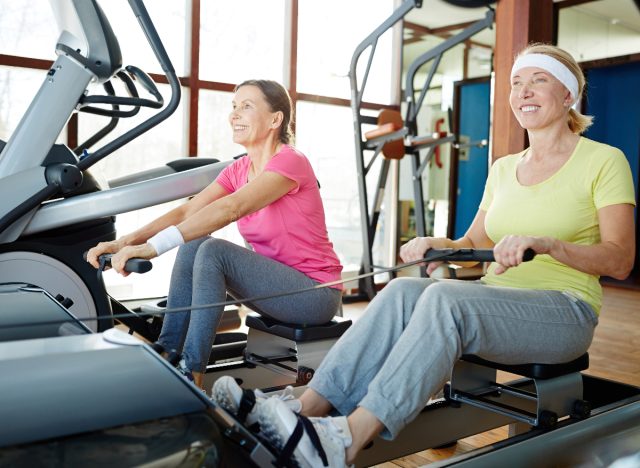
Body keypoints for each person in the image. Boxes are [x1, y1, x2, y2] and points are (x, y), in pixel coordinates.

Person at [212, 43, 637, 467]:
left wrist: (549, 244)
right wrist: (439, 244)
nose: (523, 91)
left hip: (565, 311)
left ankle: (346, 439)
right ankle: (305, 410)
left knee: (443, 298)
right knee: (403, 290)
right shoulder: (505, 167)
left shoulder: (603, 161)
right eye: (516, 83)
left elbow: (620, 260)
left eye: (538, 80)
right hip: (499, 300)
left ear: (568, 96)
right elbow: (473, 250)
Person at [87, 79, 343, 389]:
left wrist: (153, 249)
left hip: (315, 294)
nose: (234, 114)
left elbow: (232, 208)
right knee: (196, 241)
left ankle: (192, 373)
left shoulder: (291, 161)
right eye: (233, 107)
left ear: (276, 119)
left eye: (246, 106)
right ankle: (168, 352)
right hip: (278, 288)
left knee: (215, 250)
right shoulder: (239, 170)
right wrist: (125, 242)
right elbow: (186, 212)